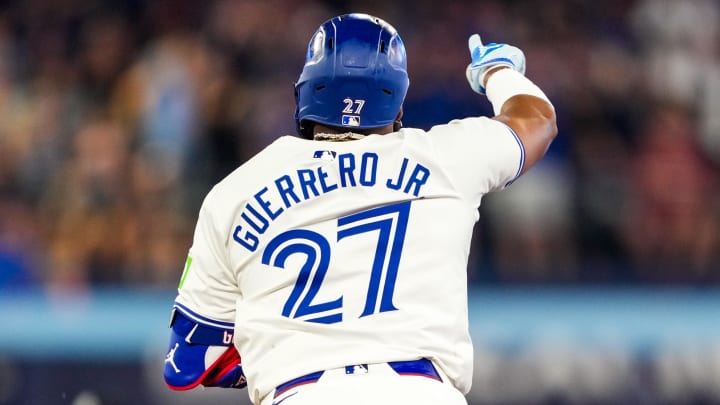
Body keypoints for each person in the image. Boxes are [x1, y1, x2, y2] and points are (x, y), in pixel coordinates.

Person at [162, 12, 556, 405]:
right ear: (398, 105)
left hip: (302, 393)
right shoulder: (445, 157)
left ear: (304, 93)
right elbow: (536, 120)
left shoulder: (235, 191)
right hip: (422, 393)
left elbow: (190, 361)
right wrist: (498, 72)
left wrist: (275, 347)